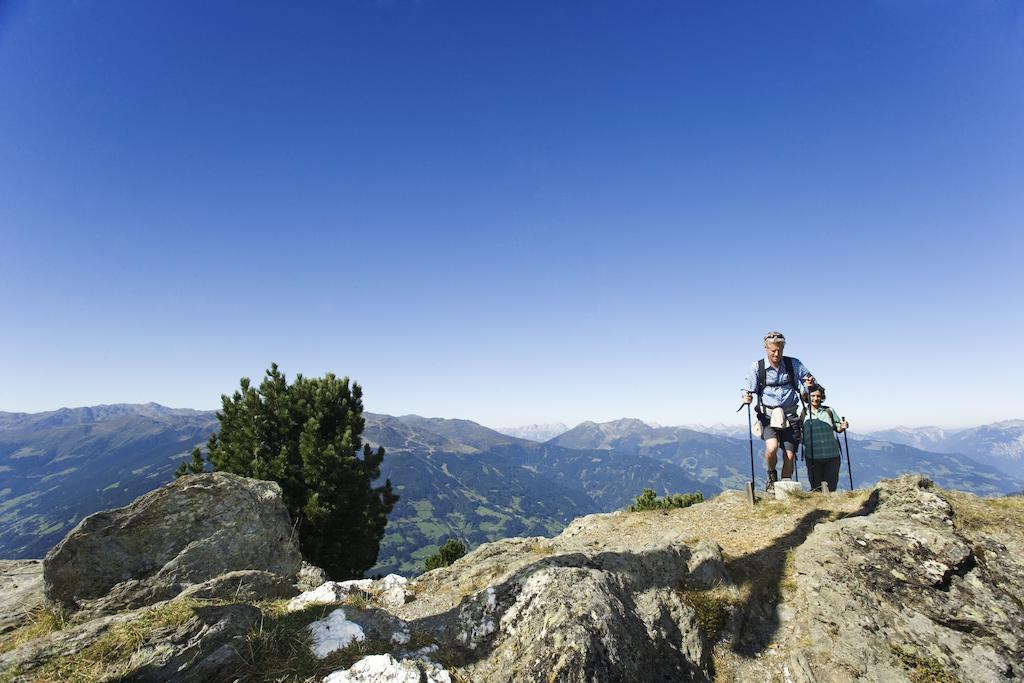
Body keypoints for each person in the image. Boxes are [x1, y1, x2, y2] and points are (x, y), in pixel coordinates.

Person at [741, 331, 815, 490]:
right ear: (766, 349)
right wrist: (746, 397)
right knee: (772, 447)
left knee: (790, 455)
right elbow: (748, 390)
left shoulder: (793, 364)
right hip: (768, 417)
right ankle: (771, 475)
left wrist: (809, 385)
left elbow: (809, 381)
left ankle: (785, 486)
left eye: (780, 350)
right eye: (773, 350)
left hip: (790, 416)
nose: (777, 353)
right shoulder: (757, 367)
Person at [802, 383, 849, 492]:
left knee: (831, 489)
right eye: (812, 396)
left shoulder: (829, 411)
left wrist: (843, 426)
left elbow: (838, 428)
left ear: (821, 397)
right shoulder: (803, 413)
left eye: (818, 396)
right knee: (816, 490)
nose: (815, 398)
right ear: (807, 397)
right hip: (813, 458)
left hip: (832, 456)